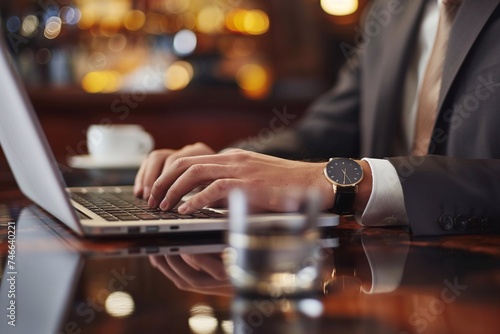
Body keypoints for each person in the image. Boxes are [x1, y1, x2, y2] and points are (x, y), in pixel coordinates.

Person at [134, 0, 500, 236]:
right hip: (380, 282)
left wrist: (352, 184)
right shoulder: (393, 10)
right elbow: (324, 131)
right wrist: (221, 166)